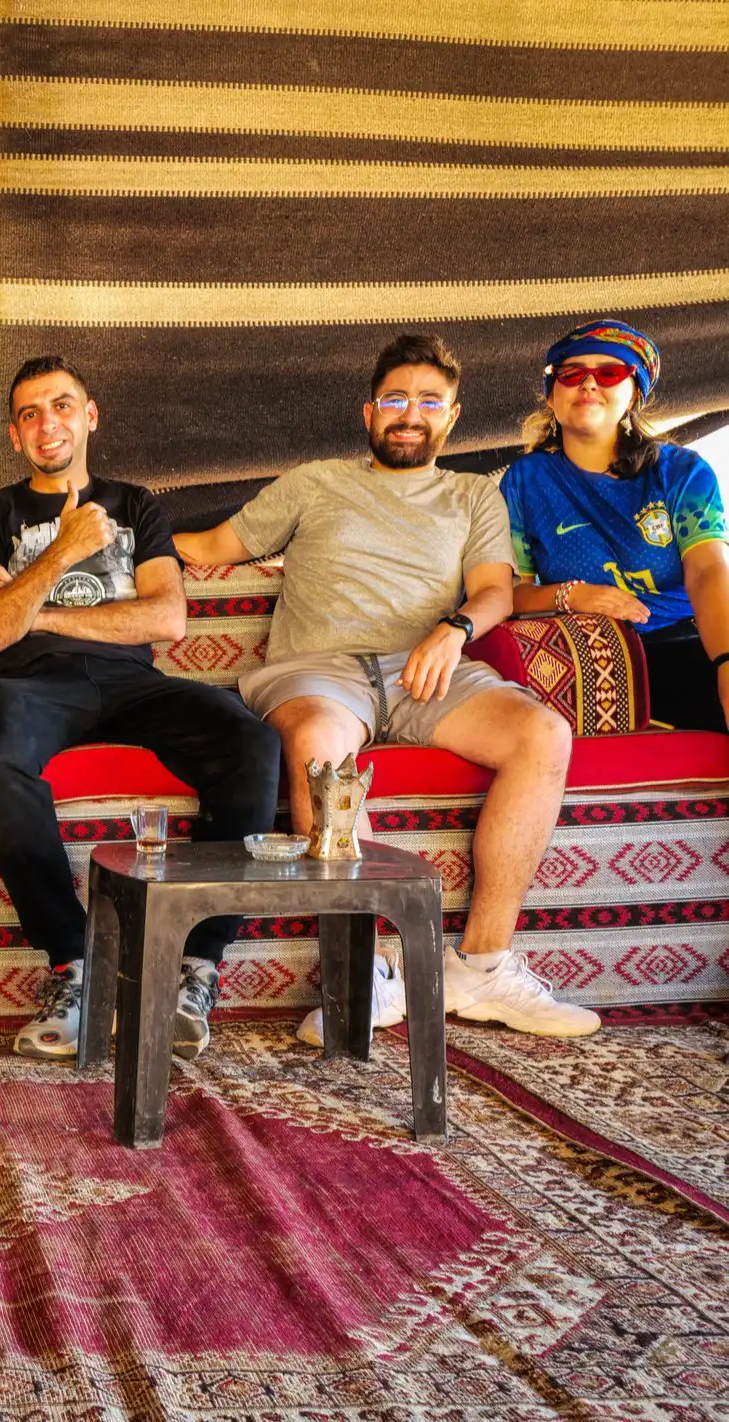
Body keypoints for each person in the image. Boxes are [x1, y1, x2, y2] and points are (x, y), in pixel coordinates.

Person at [176, 332, 600, 1043]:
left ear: (452, 417)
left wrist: (455, 630)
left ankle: (483, 966)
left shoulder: (473, 495)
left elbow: (495, 590)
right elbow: (208, 546)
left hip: (429, 668)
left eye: (429, 402)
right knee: (318, 745)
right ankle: (365, 972)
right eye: (396, 399)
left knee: (543, 733)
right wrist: (92, 540)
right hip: (322, 671)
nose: (411, 413)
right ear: (369, 411)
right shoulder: (314, 483)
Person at [0, 355, 280, 1061]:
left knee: (252, 743)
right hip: (31, 688)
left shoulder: (136, 505)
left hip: (133, 683)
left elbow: (167, 619)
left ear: (90, 415)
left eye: (62, 406)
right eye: (30, 414)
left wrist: (32, 612)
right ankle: (74, 966)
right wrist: (62, 552)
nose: (48, 424)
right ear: (14, 434)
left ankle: (195, 965)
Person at [501, 319, 729, 732]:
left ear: (634, 393)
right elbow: (506, 593)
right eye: (571, 374)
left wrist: (727, 663)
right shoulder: (525, 480)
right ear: (551, 395)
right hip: (581, 658)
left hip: (686, 642)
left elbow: (708, 570)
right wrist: (573, 595)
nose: (588, 384)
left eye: (609, 373)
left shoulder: (682, 472)